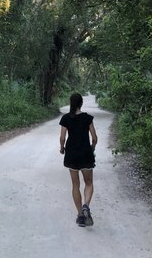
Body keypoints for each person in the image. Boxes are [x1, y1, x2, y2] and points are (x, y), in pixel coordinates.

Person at [59, 93, 98, 227]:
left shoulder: (66, 118)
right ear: (81, 103)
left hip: (72, 154)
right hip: (85, 153)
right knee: (88, 183)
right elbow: (94, 138)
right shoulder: (87, 118)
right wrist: (92, 149)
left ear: (71, 103)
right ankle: (86, 205)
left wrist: (62, 148)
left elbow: (62, 138)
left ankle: (80, 216)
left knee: (75, 185)